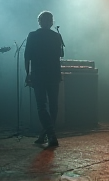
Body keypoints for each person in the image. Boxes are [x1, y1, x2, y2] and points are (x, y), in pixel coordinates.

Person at [24, 11, 64, 147]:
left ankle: (46, 133)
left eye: (49, 20)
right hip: (47, 74)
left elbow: (27, 56)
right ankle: (51, 133)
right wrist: (28, 73)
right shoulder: (53, 36)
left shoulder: (34, 35)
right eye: (45, 20)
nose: (47, 22)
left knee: (46, 105)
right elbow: (27, 57)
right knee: (48, 105)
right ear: (40, 21)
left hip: (42, 74)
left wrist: (28, 73)